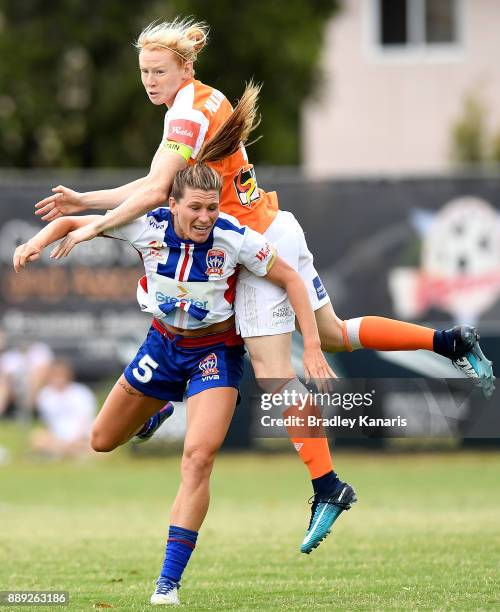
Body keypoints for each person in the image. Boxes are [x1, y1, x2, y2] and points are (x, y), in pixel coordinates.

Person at [34, 18, 494, 554]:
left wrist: (90, 224)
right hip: (276, 225)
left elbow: (160, 189)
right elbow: (161, 183)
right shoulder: (203, 99)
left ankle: (327, 487)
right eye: (143, 71)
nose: (149, 81)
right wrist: (86, 201)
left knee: (275, 375)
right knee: (337, 332)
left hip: (251, 249)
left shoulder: (184, 114)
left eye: (158, 70)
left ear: (186, 67)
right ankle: (449, 341)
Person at [15, 88, 336, 604]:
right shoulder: (149, 224)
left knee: (198, 459)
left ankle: (168, 583)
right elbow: (73, 222)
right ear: (172, 204)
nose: (206, 217)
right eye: (196, 208)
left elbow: (292, 280)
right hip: (163, 347)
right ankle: (159, 405)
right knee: (101, 441)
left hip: (215, 354)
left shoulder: (234, 235)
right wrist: (34, 242)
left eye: (212, 206)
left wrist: (316, 343)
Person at [32, 359, 96, 459]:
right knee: (37, 438)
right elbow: (46, 423)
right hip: (57, 438)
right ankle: (72, 453)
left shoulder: (82, 392)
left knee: (98, 446)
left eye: (61, 374)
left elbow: (86, 420)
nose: (58, 378)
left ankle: (63, 452)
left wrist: (76, 439)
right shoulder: (45, 394)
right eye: (55, 374)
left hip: (81, 437)